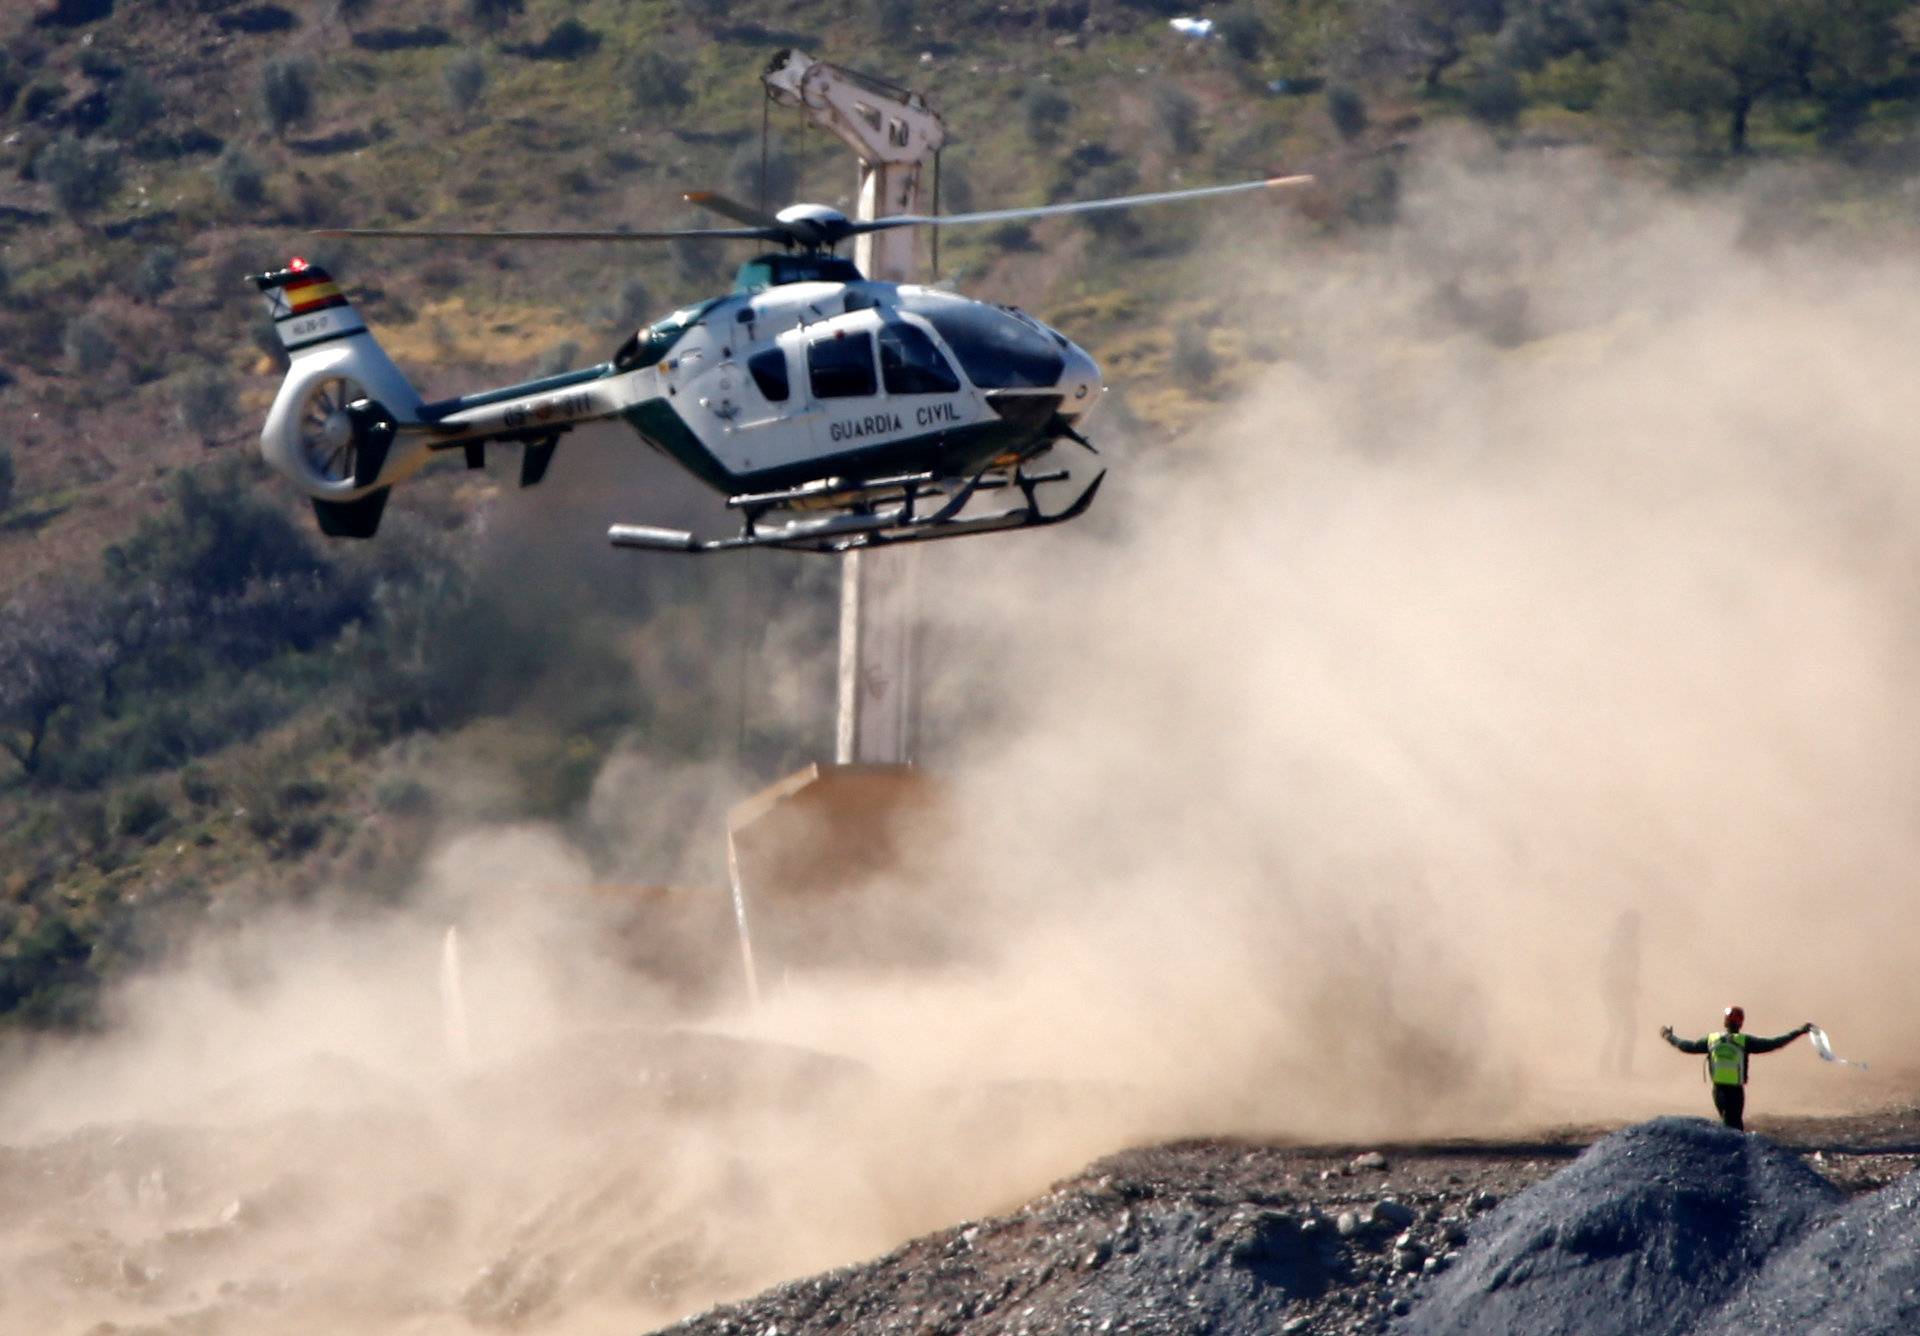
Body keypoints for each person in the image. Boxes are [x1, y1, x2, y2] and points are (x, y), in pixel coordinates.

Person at [1660, 1005, 1811, 1131]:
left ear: (1725, 1022)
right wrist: (1798, 1032)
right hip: (1735, 1092)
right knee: (1734, 1126)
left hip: (1718, 1091)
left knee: (1727, 1122)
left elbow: (1686, 1046)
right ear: (1741, 1023)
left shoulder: (1713, 1040)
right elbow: (1774, 1043)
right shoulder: (1744, 1041)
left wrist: (1668, 1036)